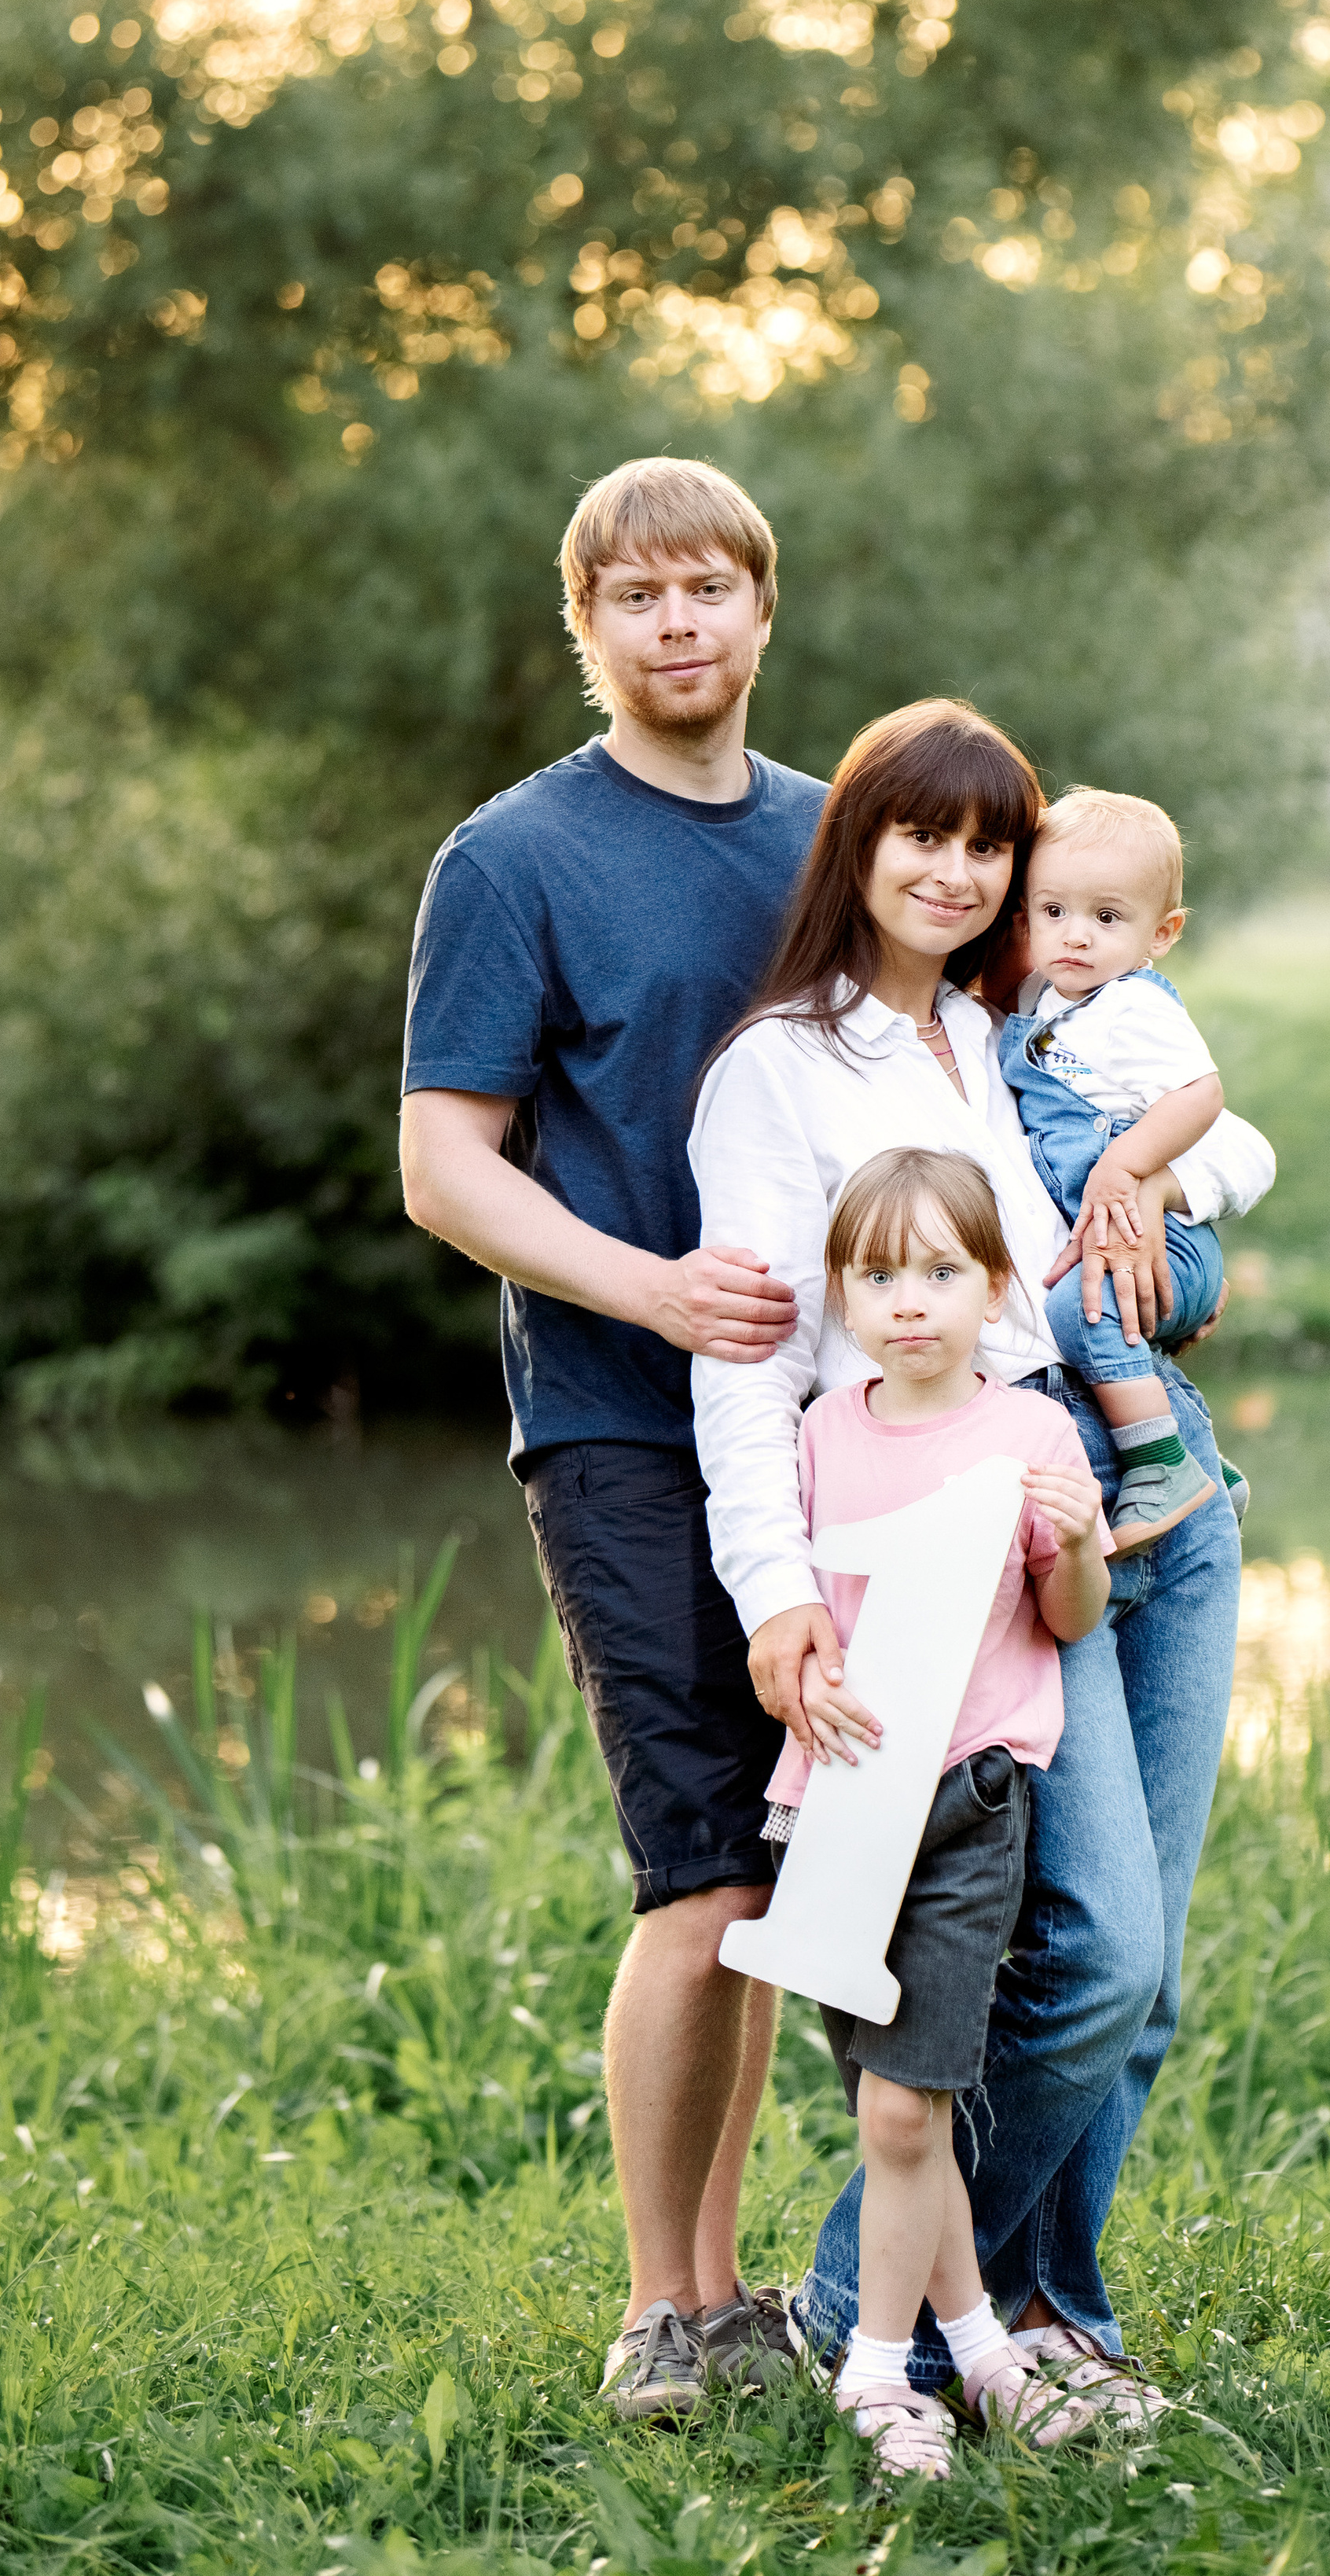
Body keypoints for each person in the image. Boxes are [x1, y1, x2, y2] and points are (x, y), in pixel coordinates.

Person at [689, 697, 1274, 2410]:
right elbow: (751, 1370)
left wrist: (1163, 1204)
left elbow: (1223, 1138)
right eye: (919, 837)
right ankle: (848, 2302)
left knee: (1139, 1974)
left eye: (985, 846)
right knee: (1089, 1956)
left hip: (1143, 1482)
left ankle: (1047, 2319)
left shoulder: (1012, 1026)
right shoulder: (778, 1069)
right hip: (977, 1521)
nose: (953, 874)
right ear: (855, 848)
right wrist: (779, 1594)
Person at [399, 455, 825, 2422]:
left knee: (780, 1862)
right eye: (633, 595)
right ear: (585, 626)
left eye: (706, 589)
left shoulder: (836, 840)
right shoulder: (513, 857)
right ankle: (667, 2305)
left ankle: (738, 2279)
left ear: (760, 609)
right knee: (698, 1867)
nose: (674, 624)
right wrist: (646, 1288)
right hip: (619, 1419)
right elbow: (441, 1165)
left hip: (832, 1429)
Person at [770, 1147, 1111, 2480]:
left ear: (993, 1284)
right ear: (842, 1291)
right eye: (877, 1272)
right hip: (838, 1808)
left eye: (941, 1270)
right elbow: (797, 1608)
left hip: (971, 1797)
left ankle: (871, 2368)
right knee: (891, 2110)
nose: (909, 1300)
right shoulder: (820, 1428)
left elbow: (1066, 1617)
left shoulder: (1027, 1430)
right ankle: (978, 2352)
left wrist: (1078, 1536)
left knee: (909, 2113)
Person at [1000, 786, 1249, 1555]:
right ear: (1026, 915)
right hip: (1123, 1243)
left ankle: (1161, 1464)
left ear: (1161, 932)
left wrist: (1128, 1168)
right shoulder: (1044, 1004)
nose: (1075, 936)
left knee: (1079, 1312)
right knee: (1084, 1307)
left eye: (1107, 918)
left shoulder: (1132, 1010)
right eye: (1053, 912)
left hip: (1165, 1237)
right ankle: (1210, 1465)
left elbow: (1202, 1096)